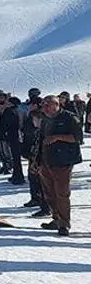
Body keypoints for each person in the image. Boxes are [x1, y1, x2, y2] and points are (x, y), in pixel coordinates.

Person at [38, 95, 83, 236]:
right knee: (49, 194)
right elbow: (40, 140)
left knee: (62, 194)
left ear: (56, 105)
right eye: (43, 105)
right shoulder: (45, 119)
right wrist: (37, 161)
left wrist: (58, 137)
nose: (44, 108)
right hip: (46, 161)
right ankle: (56, 219)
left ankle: (64, 224)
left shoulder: (70, 118)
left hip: (63, 162)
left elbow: (78, 138)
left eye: (47, 105)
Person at [22, 98, 51, 217]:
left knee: (43, 184)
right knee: (34, 180)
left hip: (42, 161)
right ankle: (38, 201)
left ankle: (46, 207)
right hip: (34, 158)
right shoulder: (37, 131)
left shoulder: (44, 131)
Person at [0, 96, 26, 185]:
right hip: (19, 135)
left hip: (12, 136)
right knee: (16, 158)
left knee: (15, 157)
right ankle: (17, 175)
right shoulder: (21, 111)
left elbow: (5, 124)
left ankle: (18, 177)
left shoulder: (9, 111)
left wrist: (1, 134)